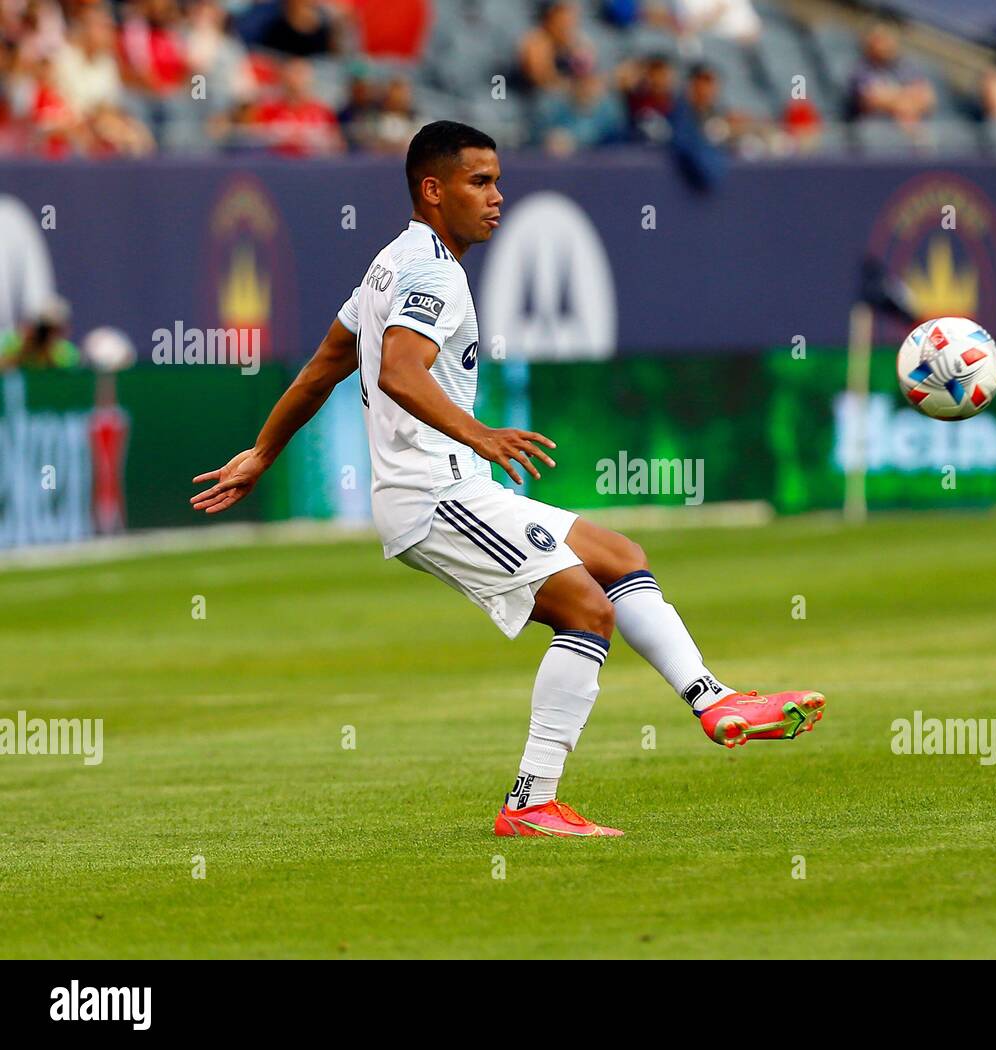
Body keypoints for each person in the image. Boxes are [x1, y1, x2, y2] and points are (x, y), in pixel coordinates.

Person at [190, 121, 825, 838]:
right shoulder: (430, 270)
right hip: (436, 493)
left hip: (456, 487)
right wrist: (481, 435)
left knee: (619, 558)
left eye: (497, 181)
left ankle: (713, 700)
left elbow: (323, 367)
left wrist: (262, 451)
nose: (497, 198)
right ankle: (531, 803)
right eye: (479, 182)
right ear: (433, 191)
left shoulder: (391, 263)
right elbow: (398, 370)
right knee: (586, 611)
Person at [846, 22, 934, 126]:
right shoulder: (861, 69)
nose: (888, 44)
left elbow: (927, 98)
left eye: (889, 39)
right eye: (881, 40)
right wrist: (906, 100)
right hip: (874, 126)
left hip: (906, 125)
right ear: (869, 44)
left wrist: (895, 97)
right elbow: (873, 99)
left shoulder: (906, 66)